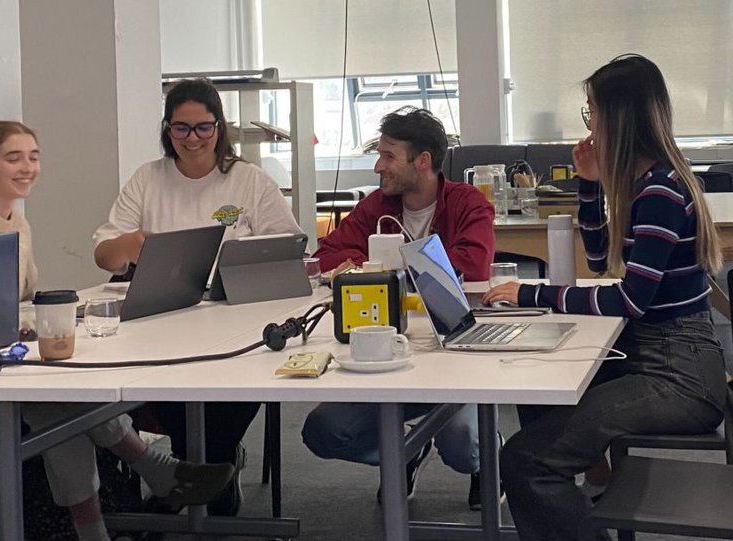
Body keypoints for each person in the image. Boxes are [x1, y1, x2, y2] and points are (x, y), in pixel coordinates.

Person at [0, 121, 235, 541]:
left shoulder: (17, 221)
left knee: (62, 409)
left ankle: (106, 521)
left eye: (33, 156)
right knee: (61, 404)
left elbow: (21, 298)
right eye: (13, 158)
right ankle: (149, 470)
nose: (28, 167)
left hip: (0, 350)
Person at [484, 54, 729, 541]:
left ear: (617, 116)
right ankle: (594, 486)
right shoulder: (649, 182)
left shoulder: (660, 190)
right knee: (540, 390)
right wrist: (590, 188)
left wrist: (531, 292)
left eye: (592, 109)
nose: (589, 121)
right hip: (661, 355)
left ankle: (579, 505)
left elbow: (629, 301)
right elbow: (599, 263)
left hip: (677, 374)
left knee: (524, 459)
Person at [92, 78, 303, 515]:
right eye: (181, 129)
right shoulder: (148, 179)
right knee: (174, 398)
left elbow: (289, 245)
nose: (193, 139)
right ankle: (207, 475)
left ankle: (207, 471)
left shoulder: (247, 180)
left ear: (219, 128)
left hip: (235, 317)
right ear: (167, 131)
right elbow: (104, 254)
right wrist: (131, 244)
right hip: (161, 323)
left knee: (230, 393)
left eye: (203, 128)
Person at [302, 107, 497, 510]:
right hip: (385, 353)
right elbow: (329, 254)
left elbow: (473, 263)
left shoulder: (467, 202)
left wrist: (384, 269)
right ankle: (406, 449)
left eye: (389, 156)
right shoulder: (378, 205)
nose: (378, 166)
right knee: (323, 432)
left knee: (464, 446)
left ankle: (487, 459)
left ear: (422, 161)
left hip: (451, 355)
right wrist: (375, 267)